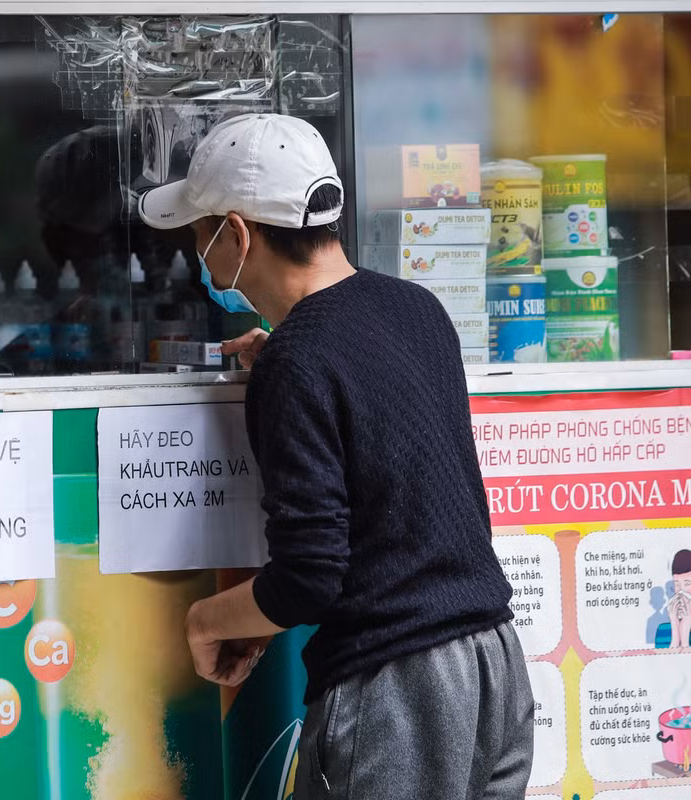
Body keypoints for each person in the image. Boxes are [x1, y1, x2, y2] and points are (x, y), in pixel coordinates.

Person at [138, 113, 533, 800]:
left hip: (399, 687)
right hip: (495, 664)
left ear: (236, 234)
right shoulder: (416, 308)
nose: (197, 256)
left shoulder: (297, 362)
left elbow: (311, 576)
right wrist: (289, 356)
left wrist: (206, 620)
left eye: (199, 235)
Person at [667, 549, 691, 650]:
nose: (681, 592)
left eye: (687, 584)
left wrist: (685, 641)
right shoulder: (664, 630)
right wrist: (676, 636)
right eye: (677, 585)